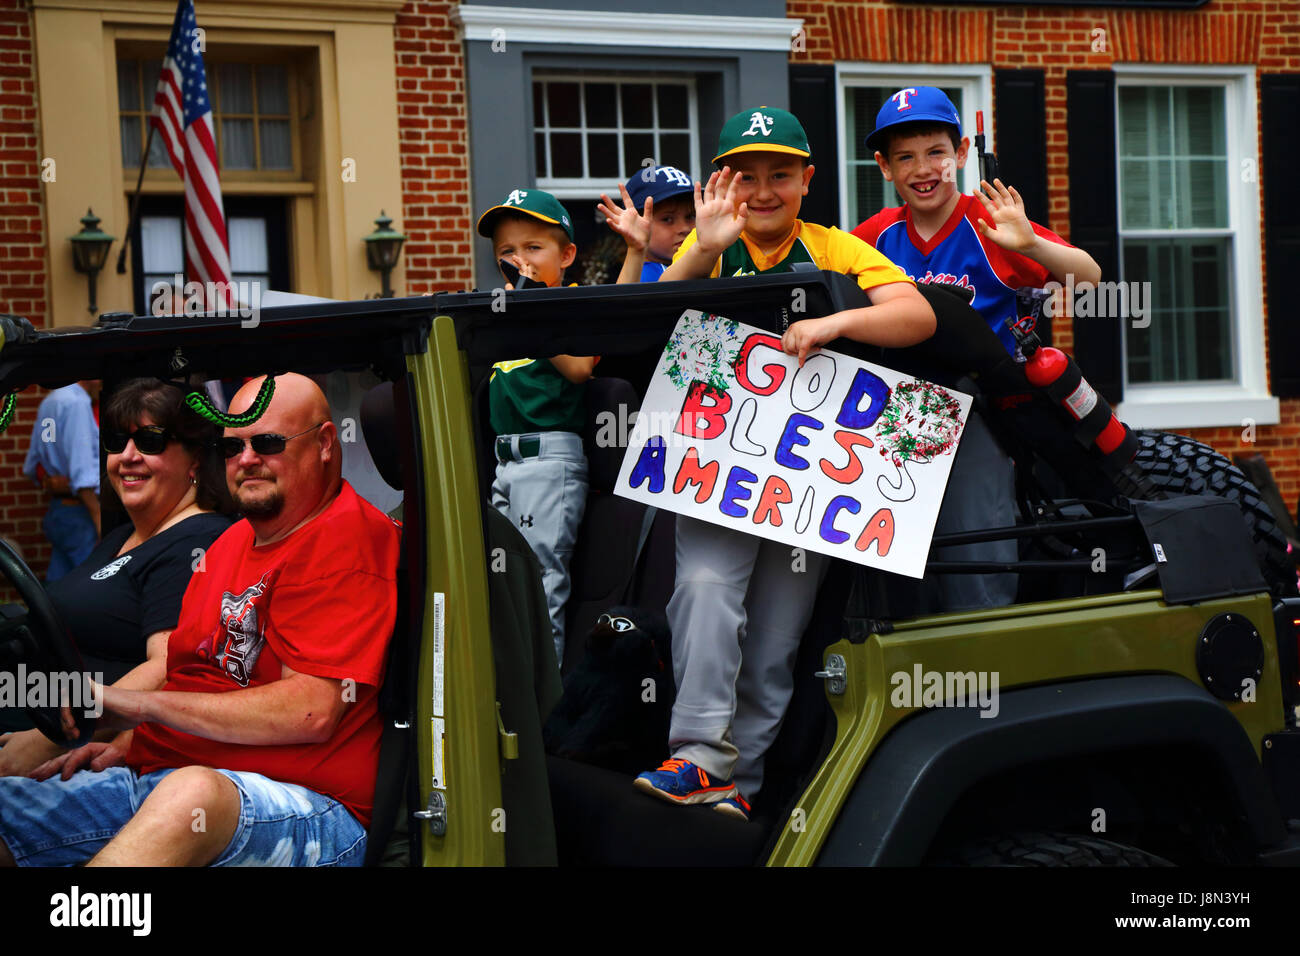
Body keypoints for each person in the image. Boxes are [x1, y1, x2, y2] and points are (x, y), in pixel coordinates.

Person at [634, 106, 935, 820]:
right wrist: (702, 251)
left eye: (780, 174)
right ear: (722, 184)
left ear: (807, 179)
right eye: (747, 177)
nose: (763, 191)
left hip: (809, 477)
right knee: (706, 590)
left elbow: (916, 315)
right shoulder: (711, 242)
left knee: (774, 637)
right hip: (718, 466)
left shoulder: (835, 248)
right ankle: (700, 756)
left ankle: (743, 792)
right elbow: (648, 320)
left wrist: (838, 320)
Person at [0, 373, 401, 867]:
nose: (247, 459)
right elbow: (191, 671)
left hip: (310, 803)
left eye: (268, 443)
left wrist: (133, 705)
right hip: (170, 775)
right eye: (233, 446)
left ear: (323, 444)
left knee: (192, 796)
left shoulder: (343, 539)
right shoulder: (232, 541)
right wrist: (129, 741)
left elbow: (313, 710)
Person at [851, 86, 1103, 611]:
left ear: (962, 153)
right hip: (894, 417)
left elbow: (1091, 278)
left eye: (936, 152)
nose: (923, 169)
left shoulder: (990, 223)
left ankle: (983, 659)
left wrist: (1030, 244)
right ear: (883, 166)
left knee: (972, 554)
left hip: (987, 412)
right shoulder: (874, 236)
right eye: (905, 157)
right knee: (898, 565)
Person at [0, 378, 236, 769]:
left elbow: (165, 668)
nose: (128, 456)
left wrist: (44, 742)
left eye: (151, 441)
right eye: (115, 441)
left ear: (194, 458)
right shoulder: (124, 535)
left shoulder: (196, 539)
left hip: (60, 742)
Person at [477, 187, 599, 664]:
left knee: (540, 580)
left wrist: (530, 310)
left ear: (566, 255)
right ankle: (512, 694)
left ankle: (542, 708)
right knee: (505, 581)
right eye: (507, 251)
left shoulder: (567, 303)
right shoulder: (503, 311)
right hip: (505, 460)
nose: (519, 260)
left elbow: (580, 369)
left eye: (533, 248)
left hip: (548, 459)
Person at [23, 382, 100, 581]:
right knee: (88, 585)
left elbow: (32, 463)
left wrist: (48, 481)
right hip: (81, 511)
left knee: (57, 587)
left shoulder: (49, 401)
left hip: (58, 511)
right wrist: (98, 519)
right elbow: (82, 473)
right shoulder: (78, 403)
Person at [598, 164, 697, 283]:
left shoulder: (707, 262)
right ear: (635, 223)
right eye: (667, 219)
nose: (684, 228)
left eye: (691, 216)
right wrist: (637, 249)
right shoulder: (644, 277)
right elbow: (627, 299)